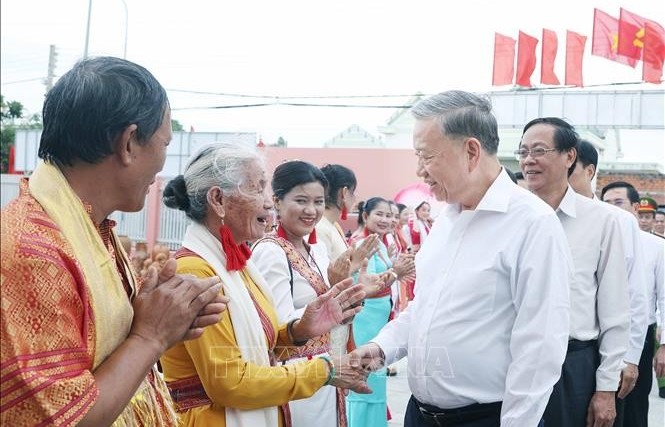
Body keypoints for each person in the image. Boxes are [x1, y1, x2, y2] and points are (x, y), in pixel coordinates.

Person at [0, 57, 228, 426]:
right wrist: (150, 337)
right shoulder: (31, 251)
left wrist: (150, 314)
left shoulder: (87, 228)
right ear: (127, 144)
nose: (162, 167)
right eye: (164, 143)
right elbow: (64, 418)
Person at [353, 90, 572, 427]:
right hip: (421, 415)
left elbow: (540, 346)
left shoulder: (532, 224)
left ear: (471, 151)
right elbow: (425, 307)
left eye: (425, 156)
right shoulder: (446, 220)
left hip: (486, 418)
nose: (419, 171)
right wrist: (382, 348)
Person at [159, 143, 371, 427]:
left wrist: (299, 330)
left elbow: (256, 342)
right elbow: (230, 382)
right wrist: (326, 370)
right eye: (257, 189)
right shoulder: (197, 272)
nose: (268, 202)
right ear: (218, 200)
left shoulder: (233, 264)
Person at [519, 117, 630, 427]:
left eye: (539, 150)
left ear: (570, 156)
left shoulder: (602, 221)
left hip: (573, 366)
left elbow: (615, 310)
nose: (529, 159)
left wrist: (606, 388)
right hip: (514, 361)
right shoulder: (511, 218)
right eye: (523, 151)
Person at [252, 160, 376, 427]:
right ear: (277, 201)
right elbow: (276, 327)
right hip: (293, 376)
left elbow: (328, 309)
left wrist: (352, 296)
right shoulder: (271, 252)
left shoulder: (316, 251)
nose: (311, 210)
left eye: (318, 202)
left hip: (325, 370)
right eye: (301, 200)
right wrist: (331, 309)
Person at [568, 141, 649, 427]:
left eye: (570, 169)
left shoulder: (616, 220)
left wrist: (629, 357)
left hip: (600, 351)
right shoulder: (539, 217)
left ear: (589, 170)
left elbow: (635, 294)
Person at [601, 181, 665, 427]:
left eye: (618, 203)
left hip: (641, 336)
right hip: (604, 335)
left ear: (635, 207)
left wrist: (664, 345)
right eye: (606, 203)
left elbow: (662, 297)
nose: (612, 209)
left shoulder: (656, 246)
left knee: (635, 408)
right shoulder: (601, 239)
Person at [347, 197, 415, 427]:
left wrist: (396, 269)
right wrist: (395, 272)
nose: (387, 220)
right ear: (365, 216)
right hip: (366, 319)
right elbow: (366, 286)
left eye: (391, 215)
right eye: (380, 214)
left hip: (378, 318)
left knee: (376, 379)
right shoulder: (361, 244)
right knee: (366, 378)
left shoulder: (380, 242)